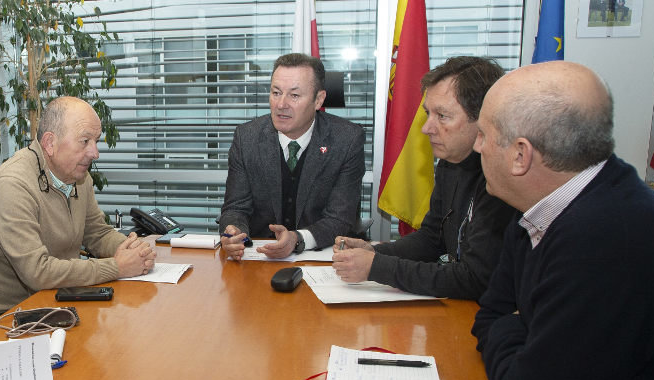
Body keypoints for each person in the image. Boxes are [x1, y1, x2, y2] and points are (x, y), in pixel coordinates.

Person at [471, 61, 654, 380]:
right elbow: (490, 314)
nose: (475, 148)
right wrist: (530, 351)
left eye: (484, 135)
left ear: (520, 155)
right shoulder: (546, 207)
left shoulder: (607, 237)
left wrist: (541, 377)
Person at [0, 96, 156, 334]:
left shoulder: (77, 176)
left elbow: (97, 232)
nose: (95, 153)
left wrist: (134, 249)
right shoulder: (12, 185)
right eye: (85, 141)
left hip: (55, 303)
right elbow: (38, 272)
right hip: (3, 319)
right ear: (50, 143)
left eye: (95, 141)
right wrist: (117, 267)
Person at [332, 57, 515, 300]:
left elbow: (475, 279)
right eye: (429, 113)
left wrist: (376, 267)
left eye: (442, 116)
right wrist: (375, 252)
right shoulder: (450, 164)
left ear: (483, 119)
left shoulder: (503, 180)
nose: (426, 128)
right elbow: (432, 238)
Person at [219, 52, 365, 260]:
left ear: (318, 100)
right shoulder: (247, 138)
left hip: (320, 258)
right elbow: (235, 207)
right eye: (276, 93)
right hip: (259, 258)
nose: (281, 104)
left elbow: (339, 219)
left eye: (294, 95)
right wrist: (233, 232)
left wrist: (297, 239)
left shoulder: (347, 140)